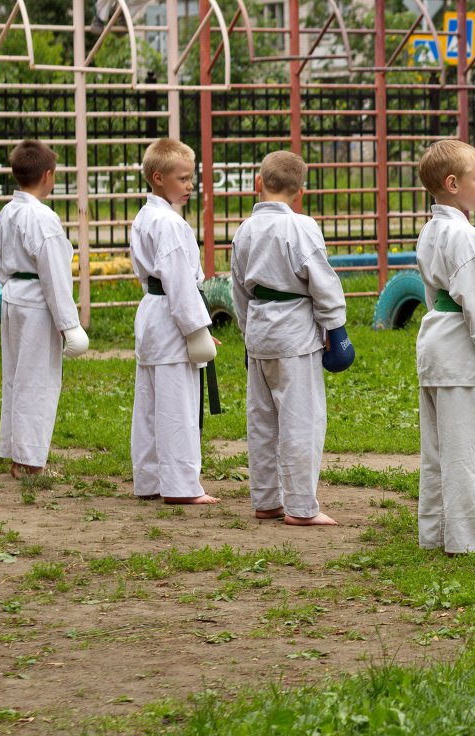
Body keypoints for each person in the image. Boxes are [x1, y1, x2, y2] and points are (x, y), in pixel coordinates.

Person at [230, 150, 350, 526]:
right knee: (301, 420)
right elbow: (323, 282)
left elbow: (237, 289)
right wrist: (336, 328)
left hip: (259, 330)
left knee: (262, 420)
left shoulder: (244, 229)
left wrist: (246, 330)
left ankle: (266, 500)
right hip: (295, 335)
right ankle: (300, 507)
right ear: (300, 192)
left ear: (258, 184)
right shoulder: (302, 226)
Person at [414, 139, 475, 558]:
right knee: (465, 452)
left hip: (434, 338)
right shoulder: (465, 235)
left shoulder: (431, 229)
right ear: (452, 183)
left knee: (436, 451)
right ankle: (467, 542)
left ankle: (434, 534)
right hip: (457, 347)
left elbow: (431, 292)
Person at [129, 138, 219, 505]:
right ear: (158, 177)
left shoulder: (146, 216)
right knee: (176, 404)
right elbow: (180, 283)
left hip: (153, 311)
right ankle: (181, 486)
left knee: (150, 403)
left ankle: (150, 479)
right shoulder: (169, 224)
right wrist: (198, 331)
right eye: (181, 179)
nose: (189, 185)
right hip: (170, 314)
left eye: (191, 178)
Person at [0, 139, 89, 478]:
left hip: (13, 296)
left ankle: (17, 453)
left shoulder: (7, 211)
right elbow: (54, 271)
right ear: (48, 175)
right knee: (37, 380)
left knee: (16, 377)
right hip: (36, 301)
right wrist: (69, 324)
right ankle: (31, 463)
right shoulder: (43, 217)